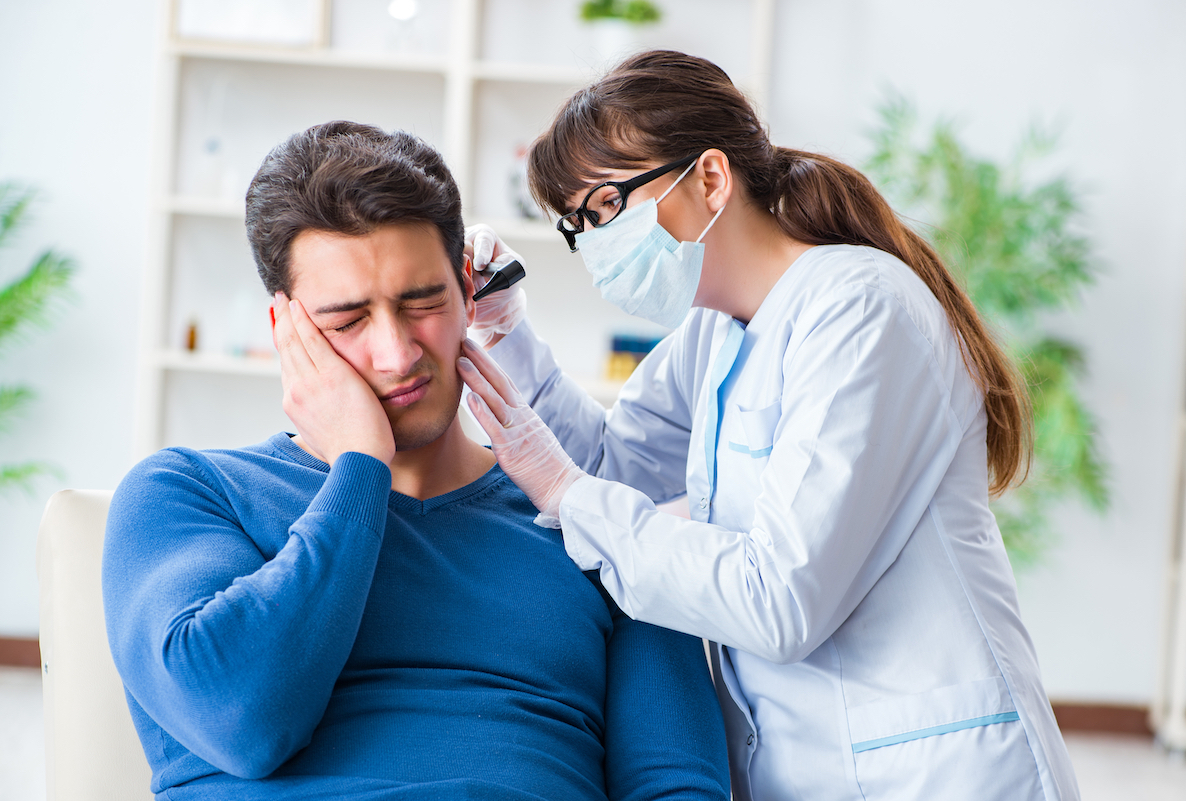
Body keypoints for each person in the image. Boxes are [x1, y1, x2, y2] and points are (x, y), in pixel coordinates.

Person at [456, 50, 1080, 801]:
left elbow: (781, 600)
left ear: (711, 178)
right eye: (577, 224)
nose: (594, 243)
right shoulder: (714, 331)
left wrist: (565, 490)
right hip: (803, 767)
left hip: (934, 771)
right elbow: (609, 474)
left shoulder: (859, 308)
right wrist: (504, 336)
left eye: (607, 207)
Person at [101, 120, 730, 801]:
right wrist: (360, 470)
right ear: (286, 331)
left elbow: (677, 785)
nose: (397, 354)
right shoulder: (187, 492)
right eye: (346, 322)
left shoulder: (596, 520)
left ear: (467, 290)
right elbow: (242, 721)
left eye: (422, 302)